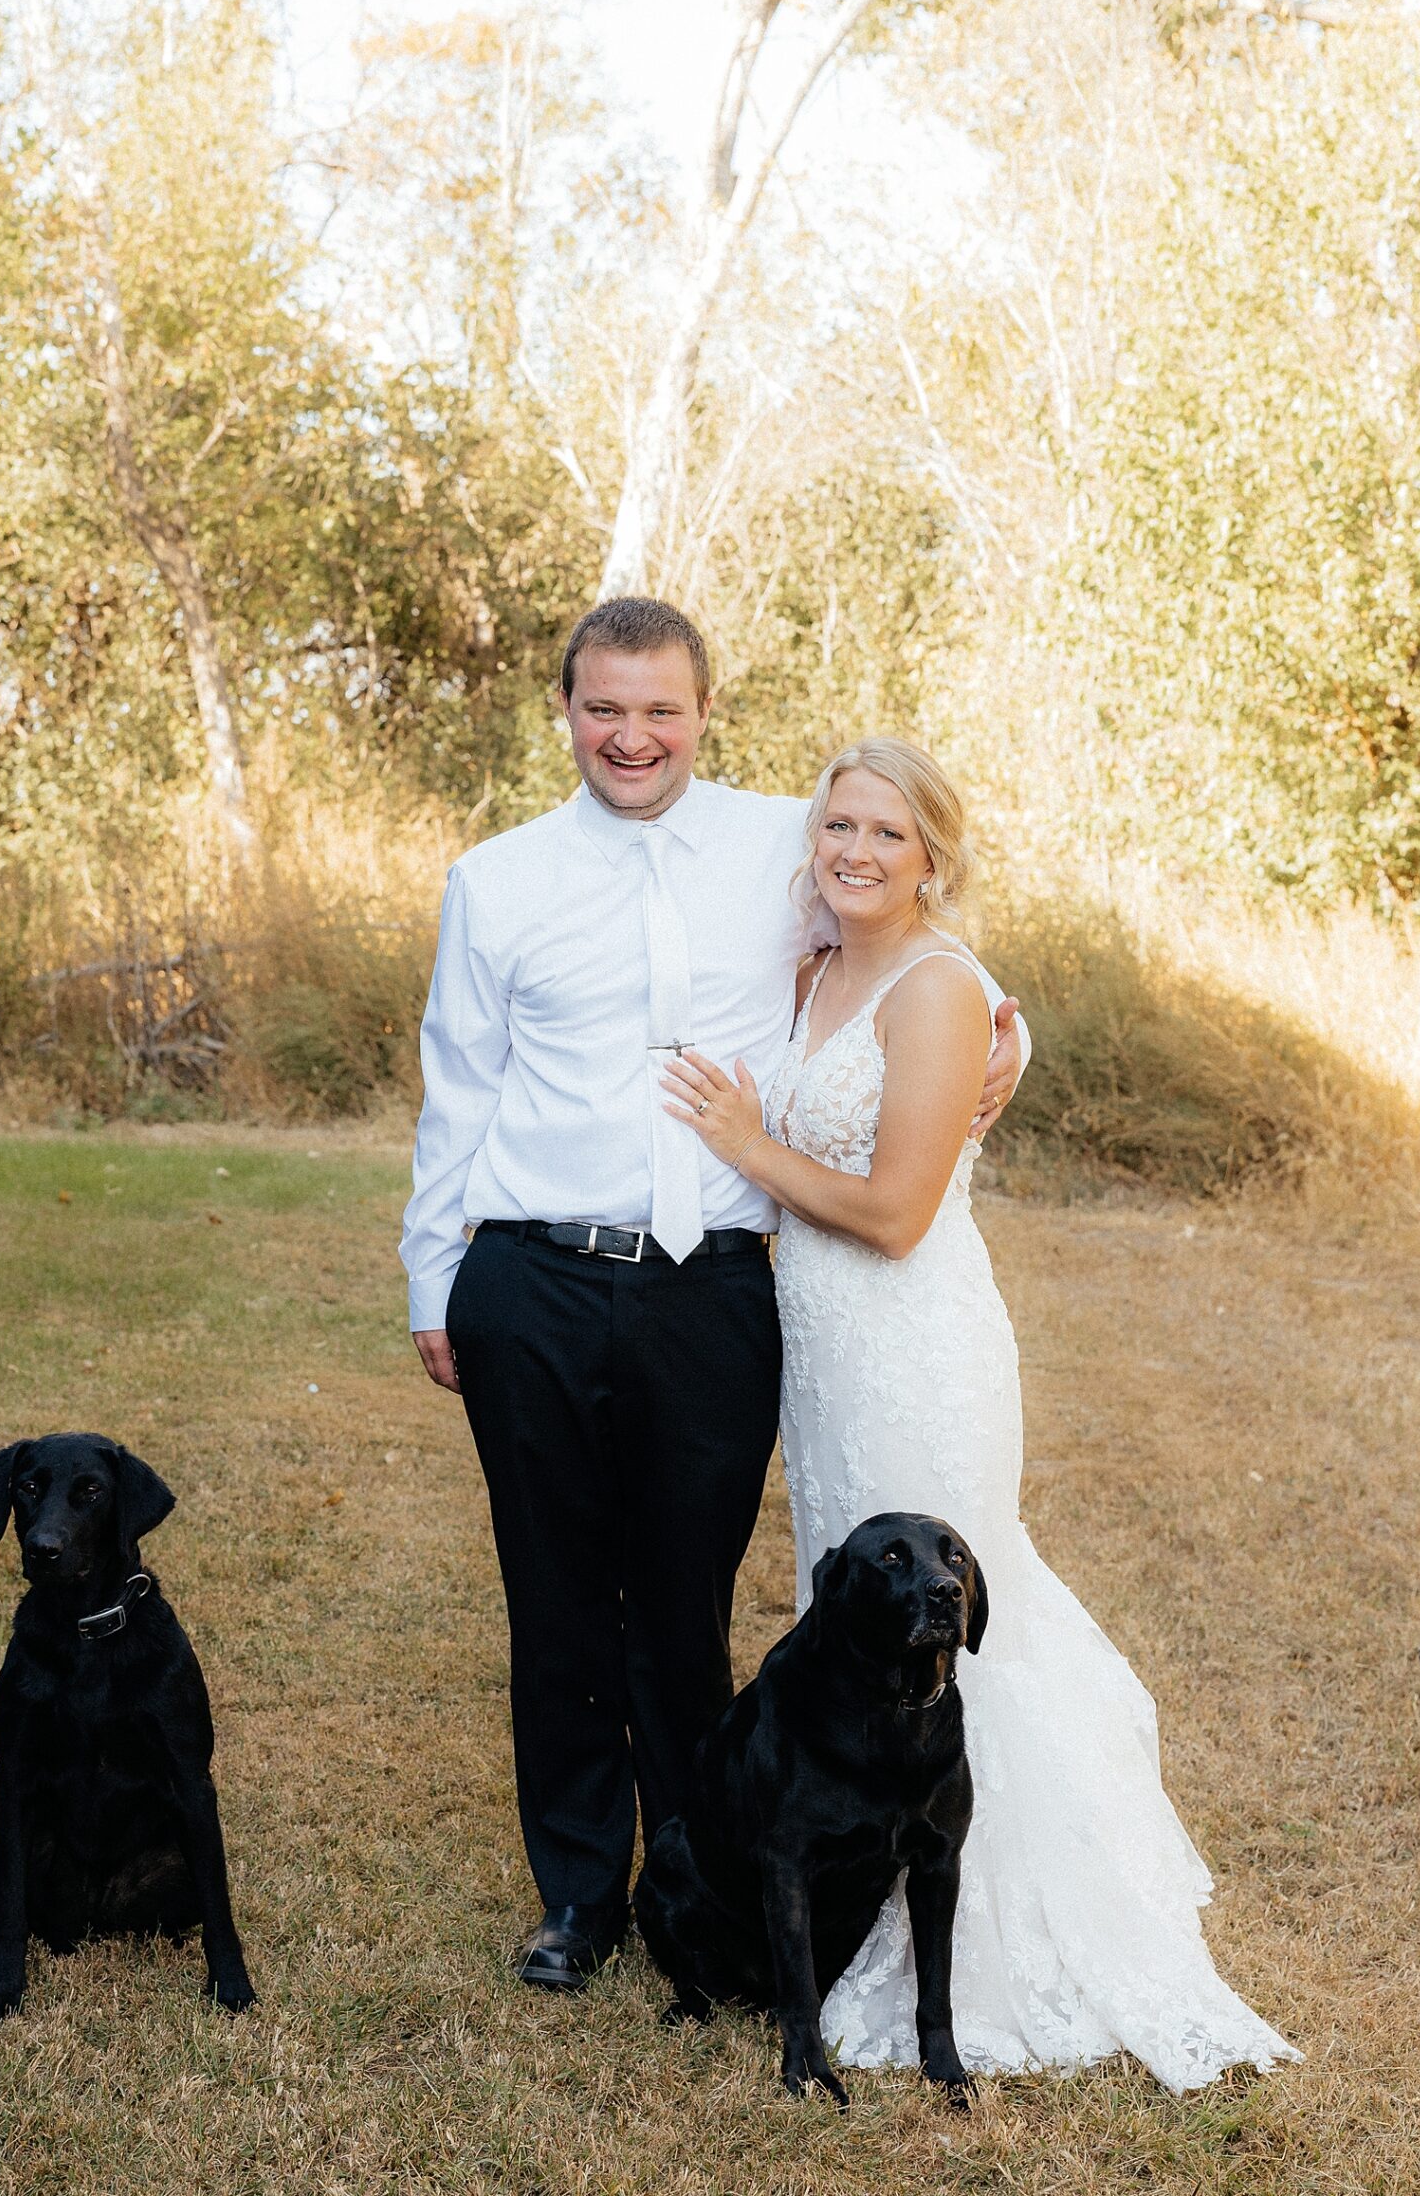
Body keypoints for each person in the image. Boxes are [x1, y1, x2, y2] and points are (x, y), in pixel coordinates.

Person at [400, 603, 1027, 1992]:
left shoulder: (776, 846)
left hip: (714, 1296)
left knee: (683, 1609)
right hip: (532, 1278)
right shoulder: (494, 881)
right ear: (562, 709)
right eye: (605, 708)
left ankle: (695, 1874)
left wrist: (1008, 1031)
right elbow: (459, 1091)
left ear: (703, 714)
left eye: (662, 710)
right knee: (556, 1601)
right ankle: (576, 1897)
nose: (634, 736)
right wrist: (430, 1282)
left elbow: (905, 935)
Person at [661, 736, 1298, 2089]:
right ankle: (862, 1894)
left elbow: (894, 1214)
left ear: (934, 856)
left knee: (959, 1618)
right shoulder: (818, 960)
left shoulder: (945, 988)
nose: (856, 852)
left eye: (889, 834)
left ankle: (1003, 1943)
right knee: (856, 1615)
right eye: (840, 826)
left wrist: (750, 1149)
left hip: (916, 1341)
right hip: (823, 1350)